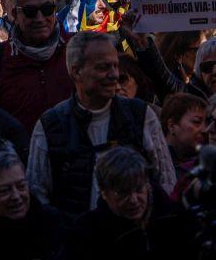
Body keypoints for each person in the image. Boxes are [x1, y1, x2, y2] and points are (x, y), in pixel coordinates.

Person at [27, 32, 175, 212]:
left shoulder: (141, 115)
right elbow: (37, 194)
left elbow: (166, 181)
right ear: (76, 71)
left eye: (116, 66)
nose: (114, 75)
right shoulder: (50, 125)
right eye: (103, 67)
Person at [63, 147, 199, 260]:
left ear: (147, 184)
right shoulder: (86, 235)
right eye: (123, 193)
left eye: (139, 189)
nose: (133, 200)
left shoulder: (173, 218)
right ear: (104, 192)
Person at [0, 0, 74, 134]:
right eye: (30, 12)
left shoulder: (75, 49)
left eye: (47, 9)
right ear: (14, 14)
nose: (40, 19)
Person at [159, 92, 206, 180]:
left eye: (207, 123)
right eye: (196, 122)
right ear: (171, 125)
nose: (205, 130)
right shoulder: (153, 166)